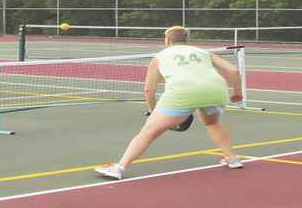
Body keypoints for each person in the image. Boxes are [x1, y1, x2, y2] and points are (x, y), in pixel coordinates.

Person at [95, 26, 245, 180]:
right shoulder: (204, 53)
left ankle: (119, 168)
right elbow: (233, 71)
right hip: (216, 90)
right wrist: (238, 93)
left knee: (149, 131)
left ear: (167, 40)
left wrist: (152, 112)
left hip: (183, 93)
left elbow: (149, 90)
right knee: (212, 124)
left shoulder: (160, 57)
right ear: (187, 40)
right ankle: (233, 159)